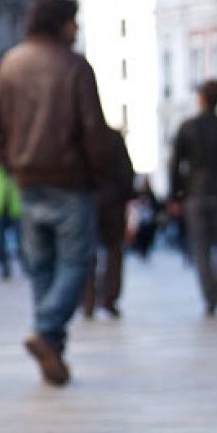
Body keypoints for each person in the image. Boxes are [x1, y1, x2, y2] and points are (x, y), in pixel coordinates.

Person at [0, 0, 107, 387]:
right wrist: (97, 174)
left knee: (42, 266)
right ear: (60, 23)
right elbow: (93, 130)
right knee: (74, 262)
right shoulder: (74, 67)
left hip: (27, 180)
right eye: (74, 21)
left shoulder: (10, 64)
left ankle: (50, 345)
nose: (78, 29)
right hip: (69, 181)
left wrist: (13, 164)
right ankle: (49, 330)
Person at [169, 78, 217, 316]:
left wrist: (175, 196)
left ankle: (210, 294)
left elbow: (176, 164)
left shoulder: (188, 127)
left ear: (201, 98)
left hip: (195, 193)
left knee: (200, 247)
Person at [82, 125, 135, 319]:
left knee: (88, 251)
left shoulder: (81, 135)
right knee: (114, 250)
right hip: (113, 201)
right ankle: (109, 298)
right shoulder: (113, 137)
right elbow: (126, 171)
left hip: (88, 200)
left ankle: (89, 298)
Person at [129, 179, 162, 261]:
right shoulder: (136, 195)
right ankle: (140, 251)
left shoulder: (152, 196)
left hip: (148, 223)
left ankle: (144, 252)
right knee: (141, 238)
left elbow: (157, 207)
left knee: (147, 238)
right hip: (140, 222)